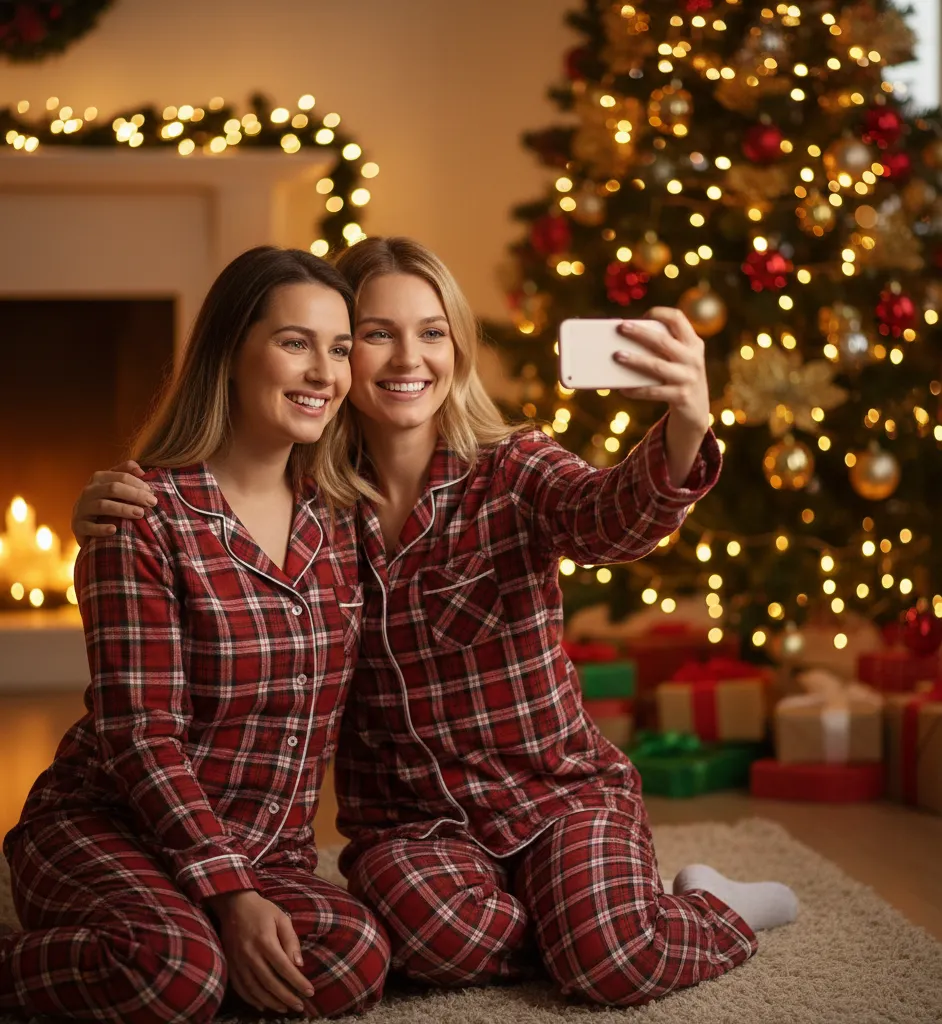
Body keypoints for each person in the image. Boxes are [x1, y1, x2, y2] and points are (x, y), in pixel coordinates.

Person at [70, 236, 798, 1009]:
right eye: (376, 334)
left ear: (457, 345)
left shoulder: (514, 468)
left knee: (608, 961)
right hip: (412, 825)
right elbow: (210, 498)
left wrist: (687, 423)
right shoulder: (309, 497)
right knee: (433, 945)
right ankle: (589, 921)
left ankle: (696, 908)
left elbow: (609, 521)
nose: (405, 357)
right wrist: (101, 505)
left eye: (431, 331)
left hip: (556, 795)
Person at [1, 246, 390, 1024]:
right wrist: (230, 895)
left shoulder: (344, 518)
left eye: (340, 349)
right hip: (114, 825)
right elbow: (141, 734)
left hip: (266, 851)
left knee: (355, 959)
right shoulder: (140, 519)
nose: (325, 372)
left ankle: (203, 948)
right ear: (228, 353)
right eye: (295, 343)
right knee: (173, 978)